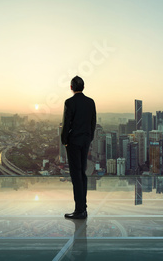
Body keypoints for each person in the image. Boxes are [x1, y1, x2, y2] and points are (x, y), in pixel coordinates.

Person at [61, 76, 96, 219]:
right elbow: (93, 121)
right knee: (82, 172)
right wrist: (90, 137)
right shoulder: (90, 102)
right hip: (85, 140)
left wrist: (64, 141)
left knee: (76, 174)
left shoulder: (69, 102)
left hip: (74, 142)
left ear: (71, 87)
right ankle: (83, 208)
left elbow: (66, 123)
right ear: (83, 87)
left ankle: (79, 210)